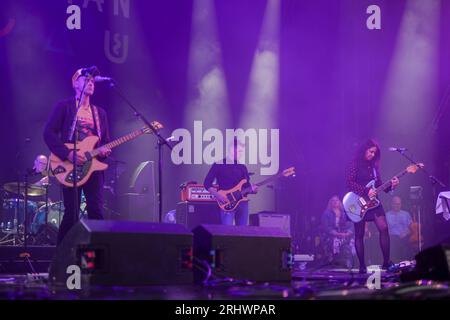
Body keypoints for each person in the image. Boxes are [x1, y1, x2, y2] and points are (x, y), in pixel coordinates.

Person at [44, 67, 111, 244]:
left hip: (93, 169)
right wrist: (67, 153)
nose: (90, 82)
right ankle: (61, 257)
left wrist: (104, 152)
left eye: (92, 81)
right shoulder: (64, 107)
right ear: (75, 83)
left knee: (96, 211)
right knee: (71, 213)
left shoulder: (100, 113)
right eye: (86, 79)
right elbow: (49, 133)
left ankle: (98, 258)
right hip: (69, 166)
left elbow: (104, 141)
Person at [346, 139, 399, 273]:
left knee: (384, 228)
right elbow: (349, 183)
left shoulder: (374, 167)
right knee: (359, 234)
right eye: (371, 151)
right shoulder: (354, 163)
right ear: (364, 149)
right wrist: (365, 190)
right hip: (358, 202)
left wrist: (391, 186)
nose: (372, 155)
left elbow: (380, 185)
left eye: (375, 153)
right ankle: (362, 266)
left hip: (374, 203)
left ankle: (386, 262)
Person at [204, 139, 257, 226]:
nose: (241, 154)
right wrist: (218, 195)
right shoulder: (219, 164)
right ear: (232, 149)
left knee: (243, 233)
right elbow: (207, 183)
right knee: (226, 233)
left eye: (241, 151)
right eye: (239, 151)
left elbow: (247, 187)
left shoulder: (242, 167)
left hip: (242, 204)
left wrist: (253, 190)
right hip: (227, 202)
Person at [320, 195, 354, 268]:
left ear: (339, 202)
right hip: (331, 236)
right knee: (336, 242)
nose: (335, 202)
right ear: (330, 203)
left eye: (337, 200)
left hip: (344, 235)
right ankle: (333, 262)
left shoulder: (344, 213)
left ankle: (348, 262)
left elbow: (351, 224)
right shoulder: (326, 214)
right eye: (333, 200)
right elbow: (326, 227)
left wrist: (347, 233)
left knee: (351, 242)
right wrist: (336, 234)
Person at [385, 196, 414, 261]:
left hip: (405, 238)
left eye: (399, 204)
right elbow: (384, 230)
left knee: (406, 248)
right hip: (392, 239)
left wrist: (405, 233)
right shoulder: (387, 215)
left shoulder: (406, 214)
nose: (398, 205)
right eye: (396, 204)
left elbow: (412, 228)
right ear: (392, 204)